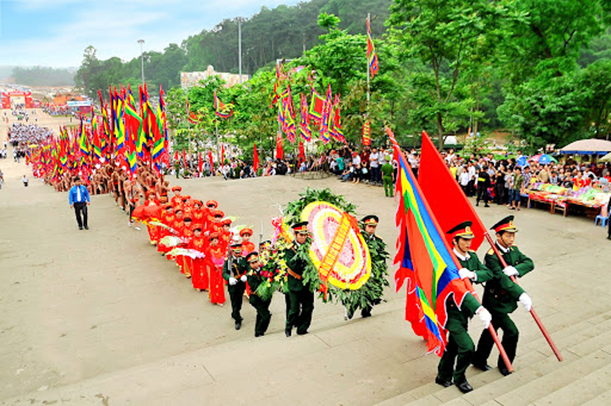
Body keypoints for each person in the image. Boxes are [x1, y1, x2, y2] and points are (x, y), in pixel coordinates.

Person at [472, 216, 534, 376]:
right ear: (498, 236)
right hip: (494, 301)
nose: (511, 238)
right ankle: (505, 363)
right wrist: (522, 295)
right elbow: (502, 281)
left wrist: (516, 269)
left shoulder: (514, 250)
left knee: (491, 330)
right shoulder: (492, 255)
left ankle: (479, 359)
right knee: (512, 332)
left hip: (507, 299)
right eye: (507, 235)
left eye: (513, 235)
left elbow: (529, 262)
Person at [436, 221, 494, 393]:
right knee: (467, 347)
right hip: (451, 312)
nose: (468, 243)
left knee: (453, 346)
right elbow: (459, 290)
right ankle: (459, 377)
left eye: (470, 239)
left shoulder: (472, 257)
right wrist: (479, 309)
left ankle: (442, 376)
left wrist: (473, 274)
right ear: (455, 241)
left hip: (465, 313)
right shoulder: (448, 261)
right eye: (464, 240)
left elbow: (488, 273)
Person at [284, 221, 315, 337]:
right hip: (295, 283)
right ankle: (288, 326)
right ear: (295, 234)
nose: (303, 237)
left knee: (308, 307)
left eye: (305, 234)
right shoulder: (290, 249)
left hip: (308, 283)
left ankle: (302, 328)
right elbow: (293, 265)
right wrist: (307, 263)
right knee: (294, 309)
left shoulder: (310, 246)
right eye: (301, 235)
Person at [246, 251, 272, 337]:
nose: (255, 264)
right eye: (252, 263)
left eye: (256, 261)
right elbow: (255, 288)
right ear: (249, 264)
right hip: (256, 298)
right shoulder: (250, 275)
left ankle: (257, 331)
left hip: (266, 297)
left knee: (260, 314)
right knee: (266, 315)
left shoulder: (265, 268)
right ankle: (260, 332)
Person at [223, 242, 248, 330]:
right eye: (236, 253)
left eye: (239, 252)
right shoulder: (228, 261)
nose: (238, 254)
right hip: (232, 284)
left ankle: (235, 312)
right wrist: (229, 278)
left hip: (241, 283)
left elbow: (248, 269)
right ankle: (237, 319)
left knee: (239, 302)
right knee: (234, 302)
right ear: (233, 252)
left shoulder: (243, 259)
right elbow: (224, 273)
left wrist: (246, 276)